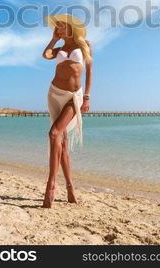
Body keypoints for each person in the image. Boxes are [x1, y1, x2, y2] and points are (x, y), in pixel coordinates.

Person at [41, 13, 92, 208]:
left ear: (71, 27)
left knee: (54, 133)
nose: (59, 29)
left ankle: (51, 185)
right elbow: (45, 55)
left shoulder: (85, 44)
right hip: (54, 93)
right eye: (57, 27)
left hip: (73, 97)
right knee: (60, 141)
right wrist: (54, 39)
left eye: (61, 27)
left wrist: (86, 97)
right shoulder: (60, 48)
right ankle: (70, 187)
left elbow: (90, 72)